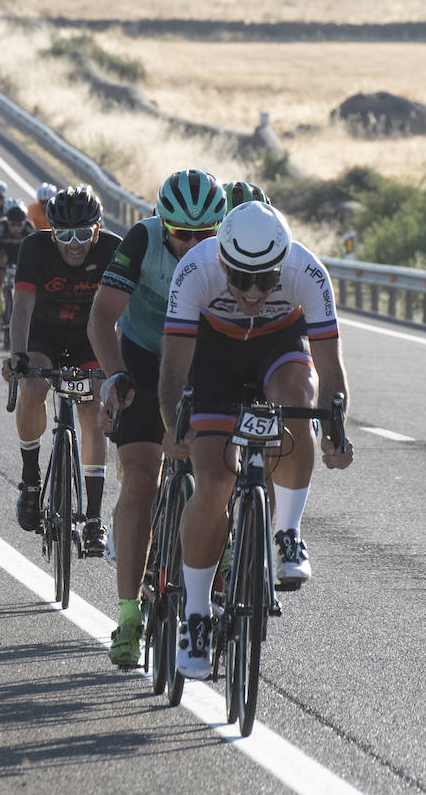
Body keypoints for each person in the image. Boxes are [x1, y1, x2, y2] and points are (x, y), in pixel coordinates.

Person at [158, 201, 354, 680]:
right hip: (214, 356)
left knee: (297, 400)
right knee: (212, 483)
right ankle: (198, 616)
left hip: (277, 347)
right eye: (240, 279)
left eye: (265, 281)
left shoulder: (309, 271)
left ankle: (288, 533)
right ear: (221, 261)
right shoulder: (194, 270)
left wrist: (335, 433)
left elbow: (330, 375)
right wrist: (172, 428)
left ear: (282, 266)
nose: (251, 292)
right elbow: (173, 371)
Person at [88, 168, 226, 669]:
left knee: (219, 472)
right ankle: (128, 617)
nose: (191, 245)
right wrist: (115, 374)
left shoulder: (229, 248)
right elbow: (103, 316)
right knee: (142, 480)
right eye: (181, 234)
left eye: (202, 236)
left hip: (207, 362)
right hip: (145, 359)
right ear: (161, 221)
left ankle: (221, 569)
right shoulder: (143, 240)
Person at [2, 186, 121, 556]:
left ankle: (94, 518)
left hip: (90, 336)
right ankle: (31, 480)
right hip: (43, 334)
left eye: (83, 234)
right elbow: (21, 307)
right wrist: (18, 355)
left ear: (97, 232)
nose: (74, 244)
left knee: (90, 407)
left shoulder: (113, 249)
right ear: (50, 232)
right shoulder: (34, 248)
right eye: (64, 235)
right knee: (34, 387)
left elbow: (124, 312)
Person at [0, 201, 34, 317]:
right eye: (12, 224)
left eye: (19, 225)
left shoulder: (29, 227)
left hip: (20, 251)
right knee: (0, 261)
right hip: (3, 251)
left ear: (24, 223)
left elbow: (34, 251)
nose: (16, 228)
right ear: (7, 221)